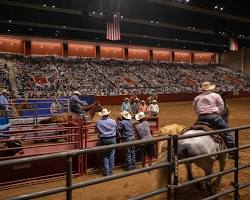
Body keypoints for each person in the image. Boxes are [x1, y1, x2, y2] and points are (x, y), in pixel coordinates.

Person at [193, 82, 235, 151]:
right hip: (214, 117)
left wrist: (200, 114)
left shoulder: (197, 98)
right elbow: (221, 107)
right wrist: (218, 113)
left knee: (194, 129)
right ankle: (232, 151)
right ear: (210, 88)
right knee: (227, 131)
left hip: (201, 118)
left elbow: (195, 109)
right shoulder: (216, 95)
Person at [95, 108, 117, 176]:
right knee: (111, 155)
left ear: (102, 115)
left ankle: (107, 171)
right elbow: (116, 128)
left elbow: (96, 131)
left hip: (103, 139)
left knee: (105, 156)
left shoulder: (98, 122)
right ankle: (111, 171)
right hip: (112, 139)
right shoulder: (113, 121)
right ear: (108, 114)